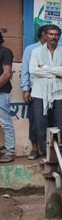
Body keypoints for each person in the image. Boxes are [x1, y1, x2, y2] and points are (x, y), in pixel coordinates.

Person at [29, 24, 62, 162]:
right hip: (40, 94)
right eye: (51, 34)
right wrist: (56, 70)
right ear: (45, 36)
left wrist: (46, 68)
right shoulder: (36, 52)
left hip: (60, 93)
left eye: (56, 34)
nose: (54, 37)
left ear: (59, 36)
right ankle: (45, 152)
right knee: (41, 124)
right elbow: (33, 70)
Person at [21, 25, 47, 159]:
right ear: (43, 34)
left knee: (50, 121)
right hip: (34, 90)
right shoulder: (31, 49)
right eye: (50, 33)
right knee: (35, 121)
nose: (54, 37)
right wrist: (26, 90)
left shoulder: (56, 51)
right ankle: (35, 149)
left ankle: (49, 150)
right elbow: (25, 70)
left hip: (51, 91)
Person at [0, 32, 15, 163]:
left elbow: (6, 74)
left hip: (2, 92)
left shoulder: (5, 52)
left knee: (5, 123)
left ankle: (10, 152)